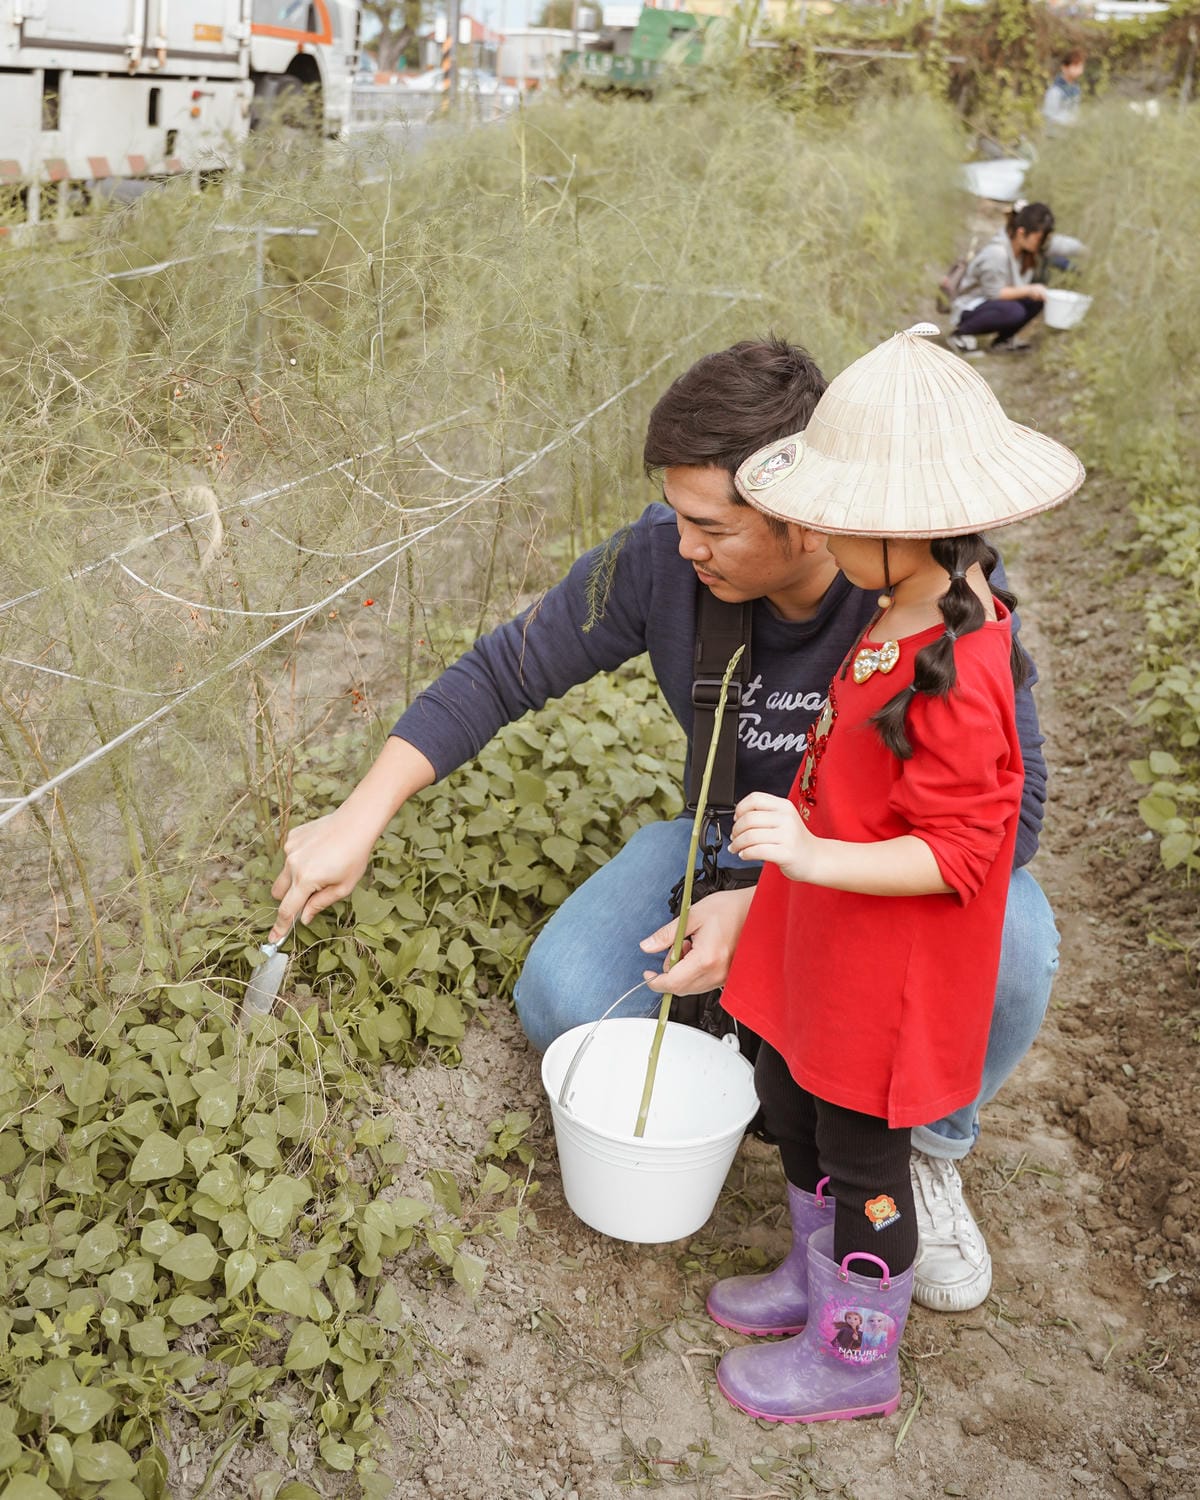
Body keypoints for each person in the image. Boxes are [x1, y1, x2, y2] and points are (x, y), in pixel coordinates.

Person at [267, 336, 1061, 1315]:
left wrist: (774, 904)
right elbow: (505, 670)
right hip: (725, 845)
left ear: (809, 521)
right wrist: (361, 814)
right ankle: (779, 1071)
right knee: (567, 997)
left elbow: (1007, 825)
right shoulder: (660, 562)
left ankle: (922, 1146)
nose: (683, 546)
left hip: (867, 875)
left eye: (712, 527)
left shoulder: (929, 589)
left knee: (1015, 946)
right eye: (679, 519)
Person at [701, 323, 1084, 1425]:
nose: (814, 530)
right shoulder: (896, 609)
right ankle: (809, 1281)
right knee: (797, 1106)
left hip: (889, 972)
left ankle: (856, 1352)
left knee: (868, 1157)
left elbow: (964, 850)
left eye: (840, 515)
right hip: (826, 941)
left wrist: (815, 850)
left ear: (910, 530)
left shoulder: (962, 663)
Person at [948, 202, 1057, 356]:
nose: (1041, 243)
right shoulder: (997, 254)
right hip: (970, 306)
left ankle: (1003, 341)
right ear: (1021, 232)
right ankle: (961, 335)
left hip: (991, 303)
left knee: (1037, 299)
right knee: (1015, 310)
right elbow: (994, 293)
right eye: (1039, 238)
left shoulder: (1024, 254)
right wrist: (1029, 289)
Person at [1042, 49, 1086, 131]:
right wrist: (1069, 122)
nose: (1079, 70)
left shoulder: (1076, 88)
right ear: (1064, 68)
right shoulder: (1055, 91)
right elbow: (1049, 117)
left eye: (1080, 66)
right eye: (1075, 66)